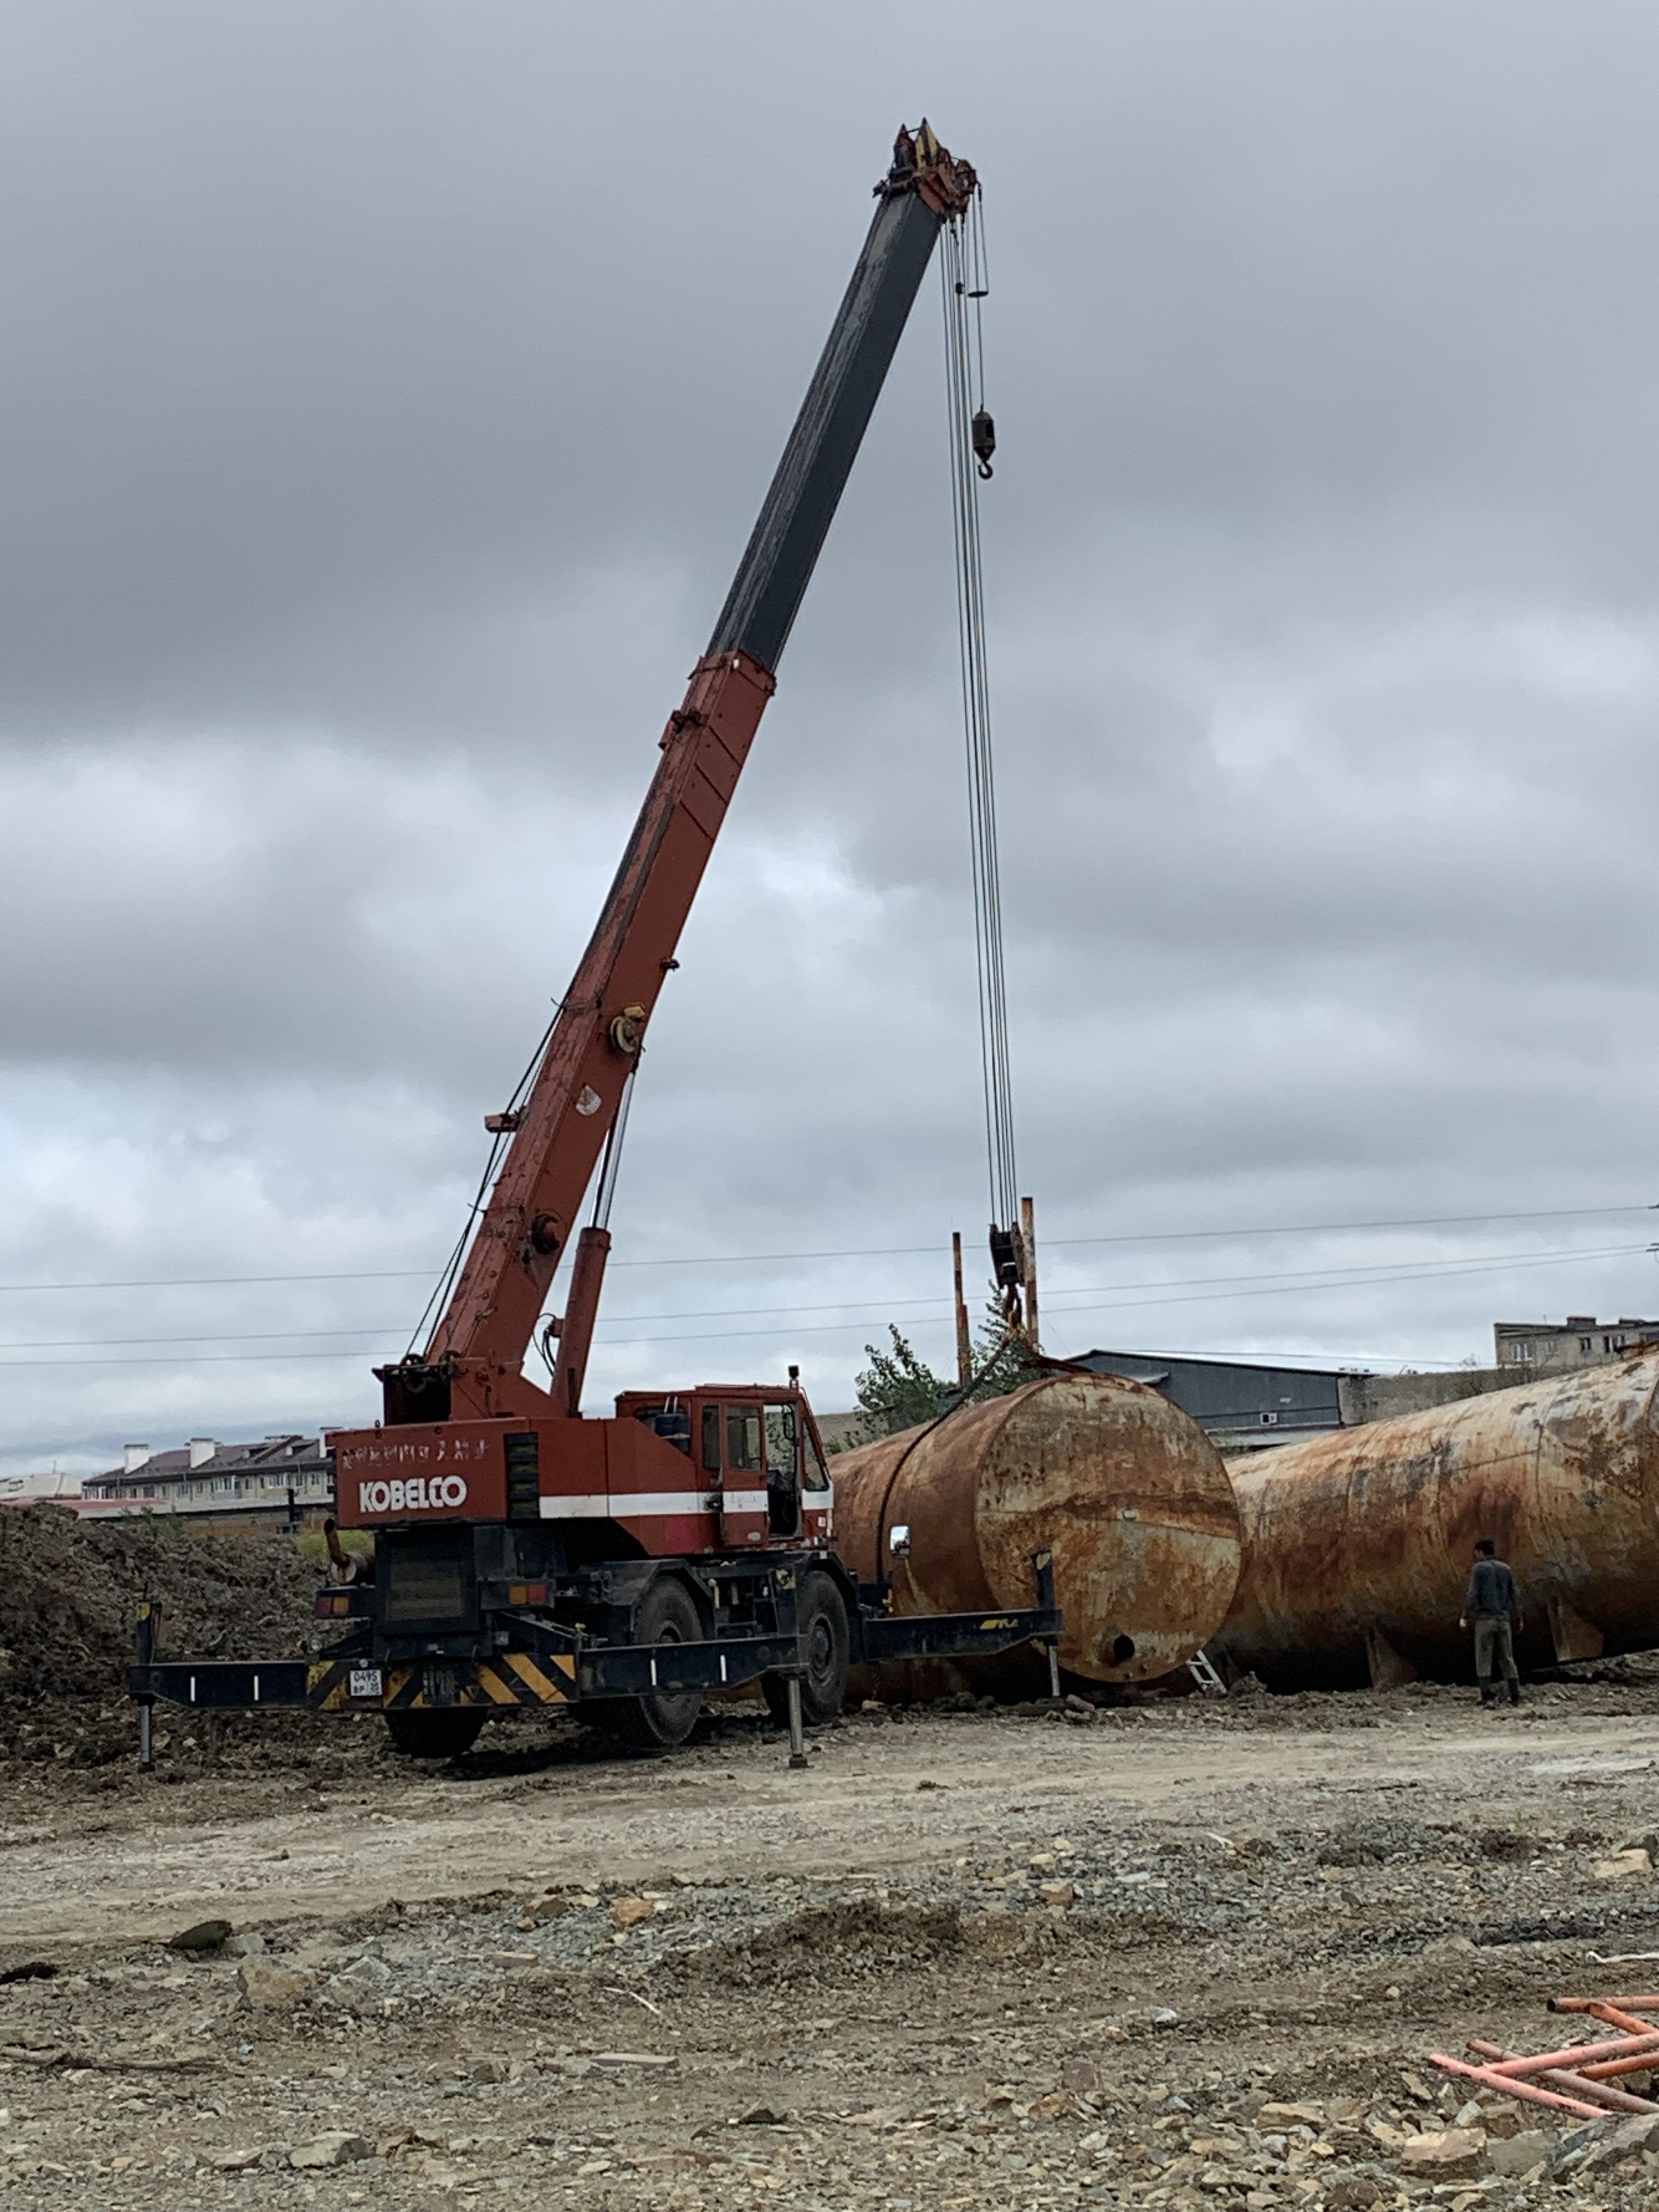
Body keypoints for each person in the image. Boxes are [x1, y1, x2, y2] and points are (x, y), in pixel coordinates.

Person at [1459, 1537, 1523, 1706]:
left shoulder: (1479, 1569)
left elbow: (1472, 1594)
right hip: (1504, 1620)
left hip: (1485, 1620)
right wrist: (1519, 1617)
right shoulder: (1506, 1568)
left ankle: (1486, 1694)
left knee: (1483, 1657)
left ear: (1480, 1552)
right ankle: (1515, 1694)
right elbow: (1514, 1595)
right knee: (1508, 1657)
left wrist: (1465, 1616)